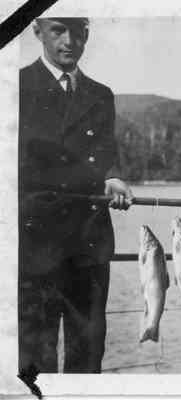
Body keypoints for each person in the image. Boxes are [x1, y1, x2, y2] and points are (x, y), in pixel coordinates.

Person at [19, 17, 132, 374]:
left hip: (88, 243)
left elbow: (106, 151)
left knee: (88, 352)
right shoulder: (15, 86)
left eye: (78, 32)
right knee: (36, 357)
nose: (69, 41)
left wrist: (113, 176)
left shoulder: (101, 94)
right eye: (58, 30)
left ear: (86, 34)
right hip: (35, 244)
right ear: (37, 31)